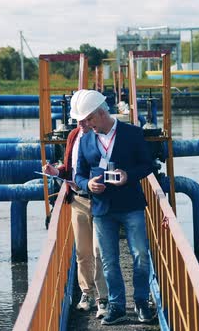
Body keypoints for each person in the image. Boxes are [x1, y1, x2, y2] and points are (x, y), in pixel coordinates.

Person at [72, 89, 155, 326]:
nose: (86, 125)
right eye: (84, 120)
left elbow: (147, 165)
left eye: (89, 119)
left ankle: (141, 303)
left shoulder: (132, 133)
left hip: (131, 206)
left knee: (140, 255)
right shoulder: (86, 139)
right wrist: (87, 184)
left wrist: (128, 175)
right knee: (108, 260)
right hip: (102, 209)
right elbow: (78, 175)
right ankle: (117, 306)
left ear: (100, 113)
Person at [42, 90, 108, 319]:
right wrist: (55, 171)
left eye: (84, 118)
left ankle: (103, 299)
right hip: (78, 200)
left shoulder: (103, 136)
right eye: (78, 120)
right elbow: (69, 167)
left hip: (100, 201)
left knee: (100, 252)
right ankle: (86, 293)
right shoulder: (73, 136)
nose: (81, 123)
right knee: (82, 251)